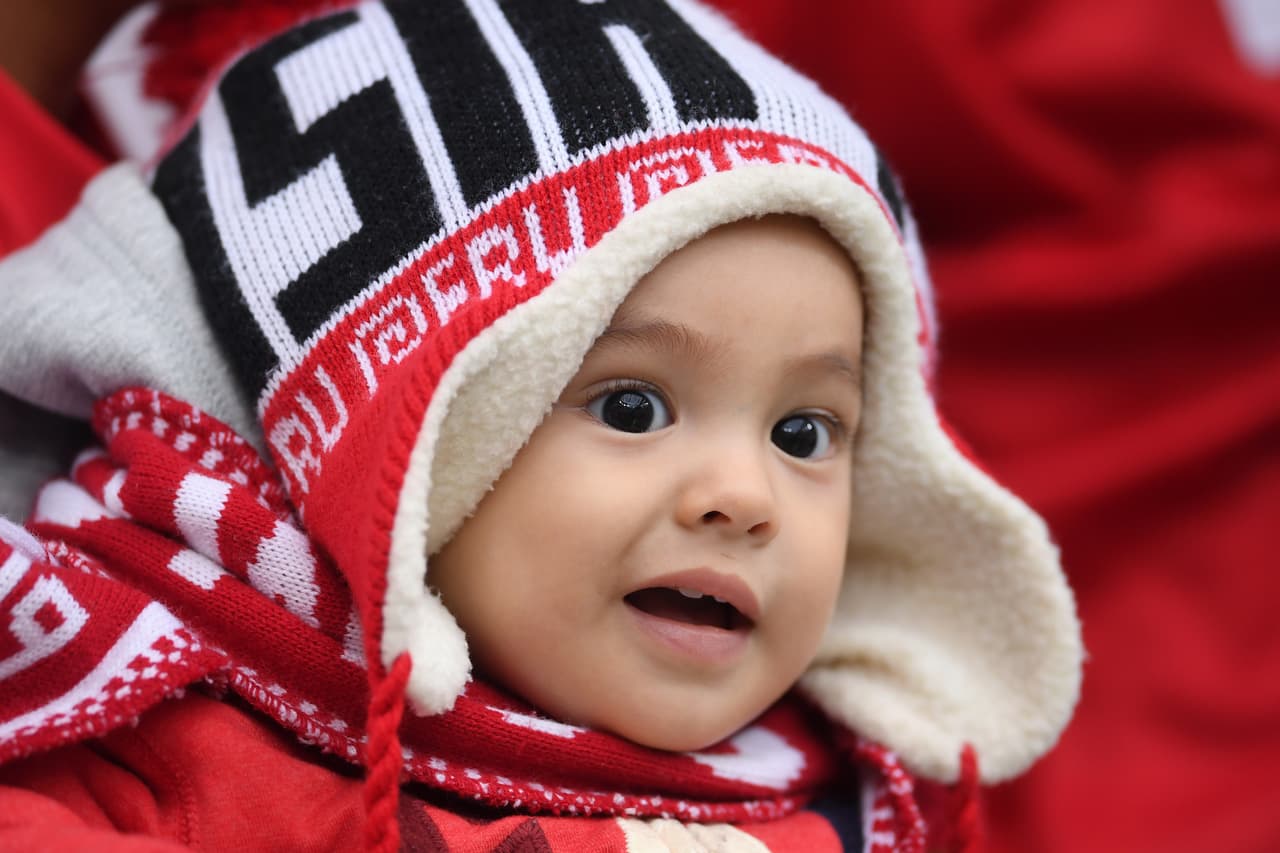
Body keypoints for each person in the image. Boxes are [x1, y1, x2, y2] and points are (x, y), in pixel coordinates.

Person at [0, 1, 1082, 850]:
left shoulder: (863, 791)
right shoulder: (166, 730)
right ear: (380, 435)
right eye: (630, 407)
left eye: (803, 433)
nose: (744, 498)